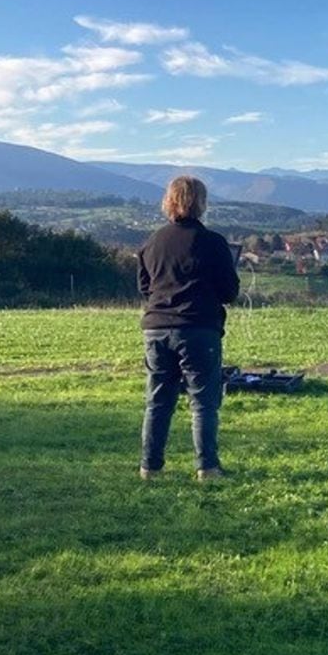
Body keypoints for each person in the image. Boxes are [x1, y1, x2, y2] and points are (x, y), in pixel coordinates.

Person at [136, 176, 239, 480]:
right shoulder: (214, 243)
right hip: (198, 329)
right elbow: (229, 292)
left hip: (156, 328)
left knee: (157, 401)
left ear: (169, 201)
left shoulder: (151, 243)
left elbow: (145, 287)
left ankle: (149, 466)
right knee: (203, 402)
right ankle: (207, 467)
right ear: (201, 203)